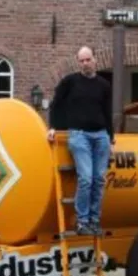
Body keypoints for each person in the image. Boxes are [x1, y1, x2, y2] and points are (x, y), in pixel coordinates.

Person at [46, 45, 113, 235]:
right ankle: (82, 221)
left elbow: (108, 113)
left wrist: (111, 139)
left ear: (95, 60)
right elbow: (56, 104)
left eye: (87, 60)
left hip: (101, 135)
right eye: (81, 61)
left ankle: (94, 220)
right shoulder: (69, 82)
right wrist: (52, 127)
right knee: (86, 178)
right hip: (79, 135)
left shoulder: (104, 85)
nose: (85, 64)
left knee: (99, 180)